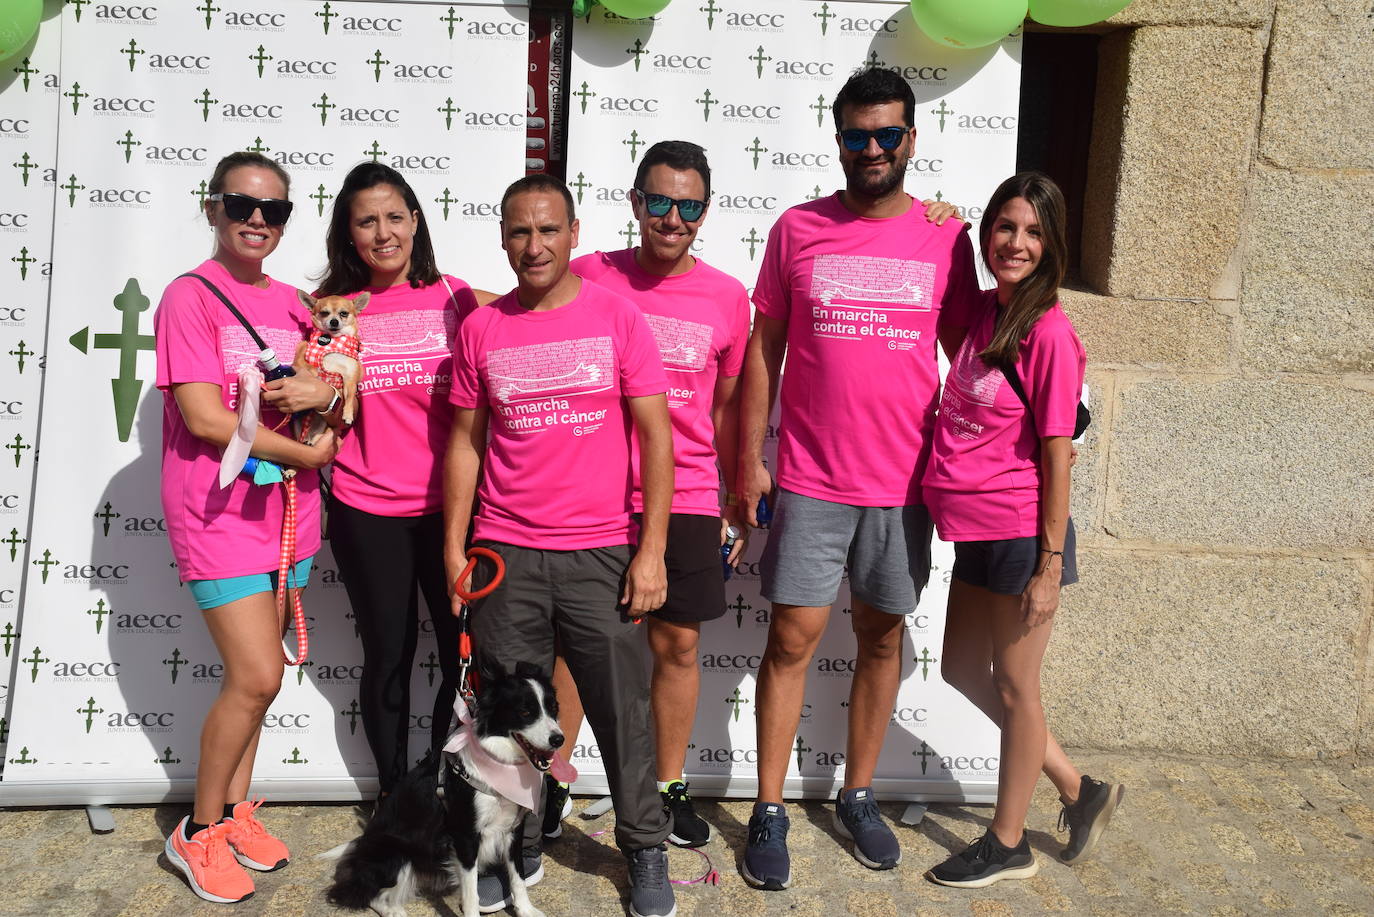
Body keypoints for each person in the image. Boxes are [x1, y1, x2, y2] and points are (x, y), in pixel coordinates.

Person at [735, 67, 978, 890]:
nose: (871, 149)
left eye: (886, 135)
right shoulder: (798, 227)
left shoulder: (947, 238)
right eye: (855, 136)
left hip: (902, 484)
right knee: (791, 641)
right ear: (837, 139)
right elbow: (763, 348)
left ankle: (859, 793)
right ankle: (768, 808)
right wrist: (748, 456)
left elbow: (973, 350)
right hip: (808, 478)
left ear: (911, 139)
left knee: (881, 638)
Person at [443, 174, 678, 917]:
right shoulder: (481, 329)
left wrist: (652, 550)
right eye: (519, 231)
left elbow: (656, 437)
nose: (533, 245)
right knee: (508, 717)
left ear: (574, 233)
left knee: (623, 716)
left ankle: (644, 848)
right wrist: (456, 546)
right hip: (506, 555)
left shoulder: (618, 317)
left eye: (548, 230)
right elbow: (464, 446)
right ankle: (516, 845)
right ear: (503, 237)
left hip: (602, 552)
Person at [541, 140, 750, 847]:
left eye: (688, 205)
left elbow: (722, 410)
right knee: (575, 648)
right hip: (592, 493)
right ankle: (550, 782)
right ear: (635, 202)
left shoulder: (727, 297)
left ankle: (666, 787)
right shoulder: (586, 274)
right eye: (658, 201)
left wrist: (728, 497)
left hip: (686, 491)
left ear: (704, 213)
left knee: (679, 645)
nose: (672, 217)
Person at [922, 172, 1123, 887]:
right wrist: (945, 225)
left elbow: (1056, 452)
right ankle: (1079, 788)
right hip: (978, 528)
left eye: (1033, 231)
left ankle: (1008, 841)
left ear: (1053, 245)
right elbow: (942, 300)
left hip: (1021, 529)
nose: (1016, 242)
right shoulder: (985, 313)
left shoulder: (1049, 332)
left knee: (1015, 686)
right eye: (1005, 227)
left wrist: (1049, 563)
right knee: (958, 668)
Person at [155, 151, 338, 903]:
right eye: (242, 205)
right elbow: (203, 418)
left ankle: (232, 813)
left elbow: (330, 381)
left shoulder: (300, 302)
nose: (257, 219)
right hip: (218, 514)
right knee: (258, 673)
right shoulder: (187, 297)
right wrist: (309, 448)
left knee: (257, 686)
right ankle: (195, 834)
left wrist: (328, 392)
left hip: (288, 515)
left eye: (275, 210)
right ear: (213, 209)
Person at [312, 162, 482, 800]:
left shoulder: (457, 299)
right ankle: (392, 797)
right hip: (366, 510)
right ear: (348, 234)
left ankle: (437, 785)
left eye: (394, 217)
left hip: (451, 514)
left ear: (415, 221)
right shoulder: (332, 311)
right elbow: (315, 402)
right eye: (366, 221)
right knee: (388, 657)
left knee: (460, 657)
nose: (383, 233)